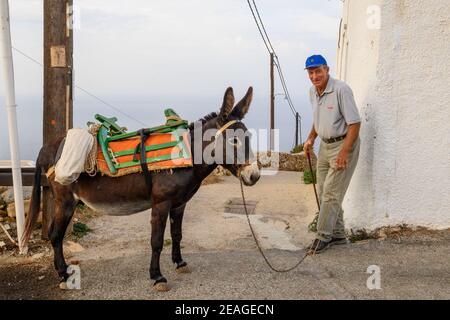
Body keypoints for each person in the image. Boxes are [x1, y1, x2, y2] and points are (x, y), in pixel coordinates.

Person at [303, 54, 361, 254]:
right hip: (325, 146)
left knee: (331, 193)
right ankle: (337, 235)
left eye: (318, 71)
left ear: (327, 70)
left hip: (344, 144)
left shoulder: (341, 90)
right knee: (323, 191)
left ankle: (322, 236)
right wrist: (311, 138)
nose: (314, 76)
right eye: (311, 72)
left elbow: (354, 123)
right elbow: (318, 119)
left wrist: (345, 152)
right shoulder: (313, 91)